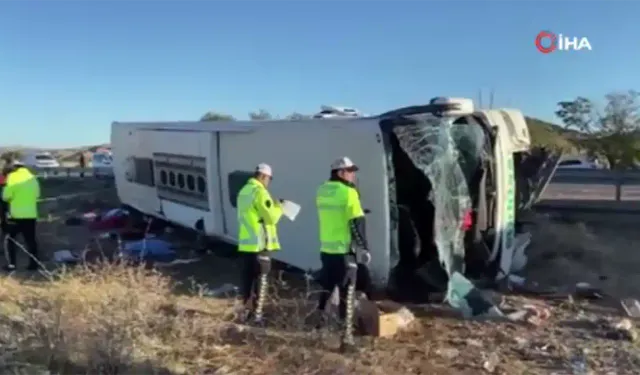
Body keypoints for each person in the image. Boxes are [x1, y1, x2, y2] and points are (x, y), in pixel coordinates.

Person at [315, 157, 370, 351]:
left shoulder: (321, 190)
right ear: (340, 173)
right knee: (347, 294)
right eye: (349, 171)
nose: (353, 175)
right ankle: (346, 340)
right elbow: (356, 222)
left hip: (326, 250)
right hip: (345, 251)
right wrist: (363, 247)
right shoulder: (349, 193)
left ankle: (318, 326)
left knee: (326, 288)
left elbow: (336, 216)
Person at [236, 163, 283, 323]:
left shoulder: (244, 191)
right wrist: (279, 207)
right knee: (261, 280)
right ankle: (257, 316)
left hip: (246, 244)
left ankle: (244, 313)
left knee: (247, 280)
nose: (268, 182)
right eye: (269, 179)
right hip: (260, 244)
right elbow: (271, 218)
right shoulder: (260, 192)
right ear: (263, 176)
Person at [2, 160, 41, 271]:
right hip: (31, 215)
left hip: (16, 215)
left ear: (14, 168)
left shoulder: (12, 177)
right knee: (30, 240)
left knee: (9, 240)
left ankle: (12, 265)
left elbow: (6, 196)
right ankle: (34, 264)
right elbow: (37, 195)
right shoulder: (33, 178)